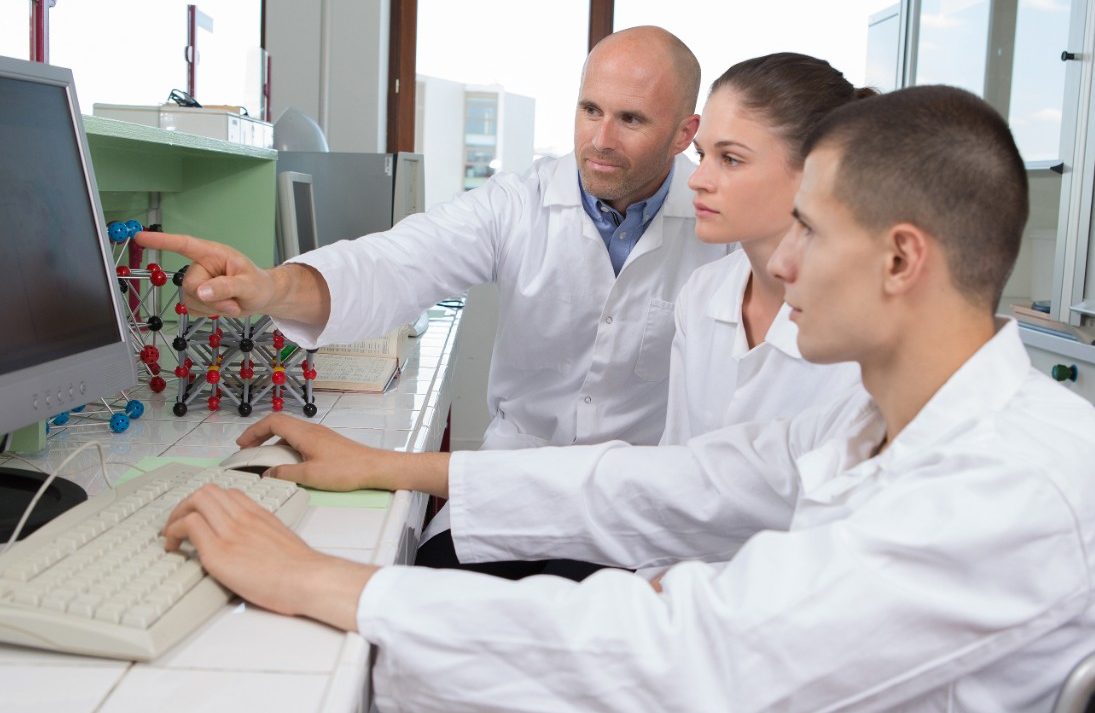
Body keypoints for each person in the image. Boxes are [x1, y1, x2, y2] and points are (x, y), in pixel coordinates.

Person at [163, 84, 1095, 711]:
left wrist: (322, 578)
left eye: (808, 227)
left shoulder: (1009, 487)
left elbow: (698, 657)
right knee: (403, 669)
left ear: (900, 258)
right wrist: (388, 473)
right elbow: (657, 482)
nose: (780, 258)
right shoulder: (872, 428)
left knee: (395, 673)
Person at [136, 26, 726, 455]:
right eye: (590, 109)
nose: (599, 139)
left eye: (631, 119)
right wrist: (272, 287)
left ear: (684, 134)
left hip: (639, 505)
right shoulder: (518, 204)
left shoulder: (724, 232)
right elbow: (395, 264)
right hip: (516, 482)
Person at [660, 53, 867, 447]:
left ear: (817, 170)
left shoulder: (864, 331)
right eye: (702, 156)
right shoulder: (702, 293)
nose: (698, 180)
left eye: (731, 159)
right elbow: (675, 466)